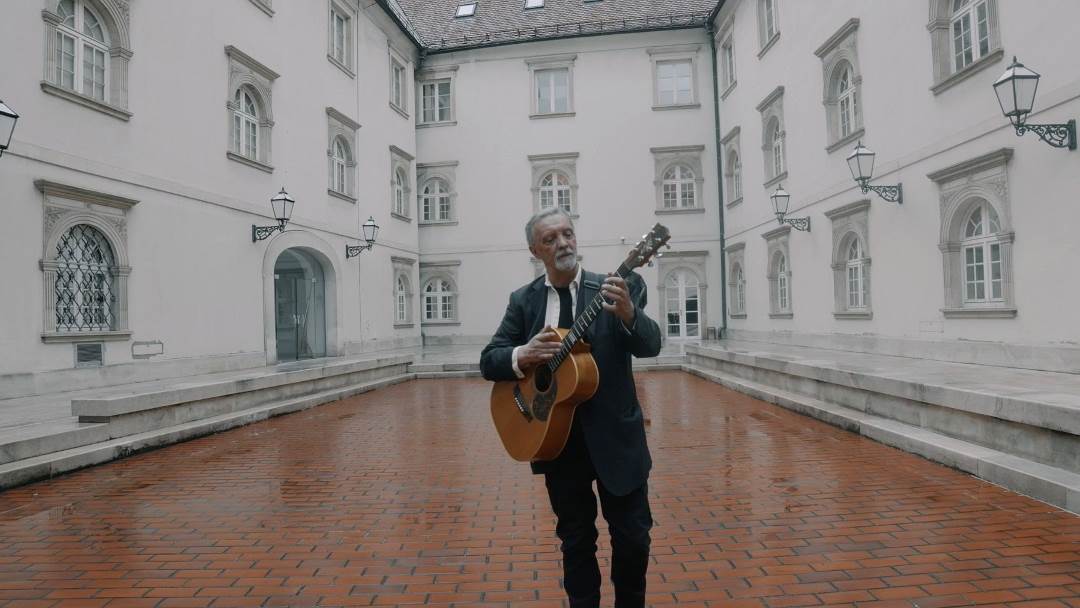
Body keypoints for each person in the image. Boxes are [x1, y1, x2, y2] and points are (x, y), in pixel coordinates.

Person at [480, 207, 662, 608]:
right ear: (535, 250)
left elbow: (651, 345)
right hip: (557, 442)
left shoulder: (616, 287)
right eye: (550, 239)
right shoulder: (524, 301)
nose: (563, 243)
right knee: (576, 542)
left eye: (567, 233)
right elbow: (489, 360)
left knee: (634, 539)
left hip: (617, 440)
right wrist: (523, 354)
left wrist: (629, 314)